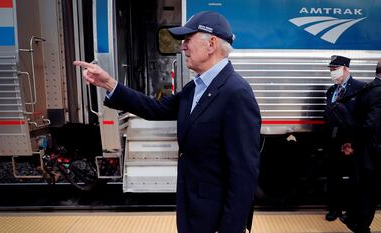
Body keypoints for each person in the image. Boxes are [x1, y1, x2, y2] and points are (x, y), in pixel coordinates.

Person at [74, 11, 261, 233]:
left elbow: (243, 174)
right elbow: (155, 109)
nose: (182, 47)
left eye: (188, 40)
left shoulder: (236, 93)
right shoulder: (196, 89)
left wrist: (230, 229)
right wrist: (109, 83)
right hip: (193, 212)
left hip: (215, 220)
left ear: (211, 44)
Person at [341, 57, 381, 233]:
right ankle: (358, 223)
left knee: (368, 196)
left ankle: (357, 222)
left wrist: (353, 142)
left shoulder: (368, 88)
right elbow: (370, 124)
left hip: (369, 157)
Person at [323, 55, 366, 221]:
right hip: (333, 139)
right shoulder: (331, 91)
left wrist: (354, 142)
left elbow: (363, 117)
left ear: (346, 68)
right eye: (331, 70)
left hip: (351, 141)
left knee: (353, 177)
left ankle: (352, 210)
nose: (333, 73)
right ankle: (335, 209)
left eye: (335, 69)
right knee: (334, 176)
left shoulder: (360, 88)